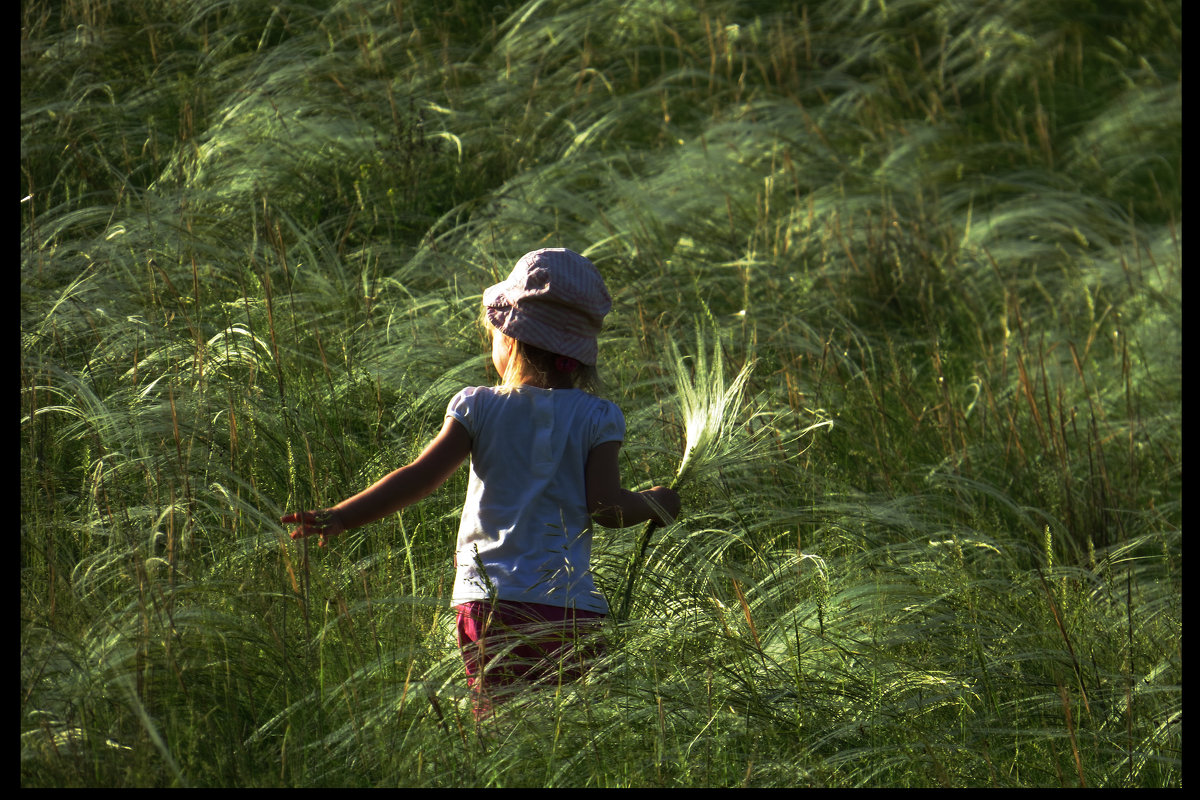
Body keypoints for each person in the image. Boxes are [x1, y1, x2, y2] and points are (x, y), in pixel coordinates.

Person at [282, 248, 680, 717]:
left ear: (511, 339)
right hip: (570, 610)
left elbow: (417, 478)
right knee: (563, 728)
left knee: (496, 727)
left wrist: (342, 515)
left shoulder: (478, 407)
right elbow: (606, 508)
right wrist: (655, 504)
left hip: (491, 605)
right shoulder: (597, 416)